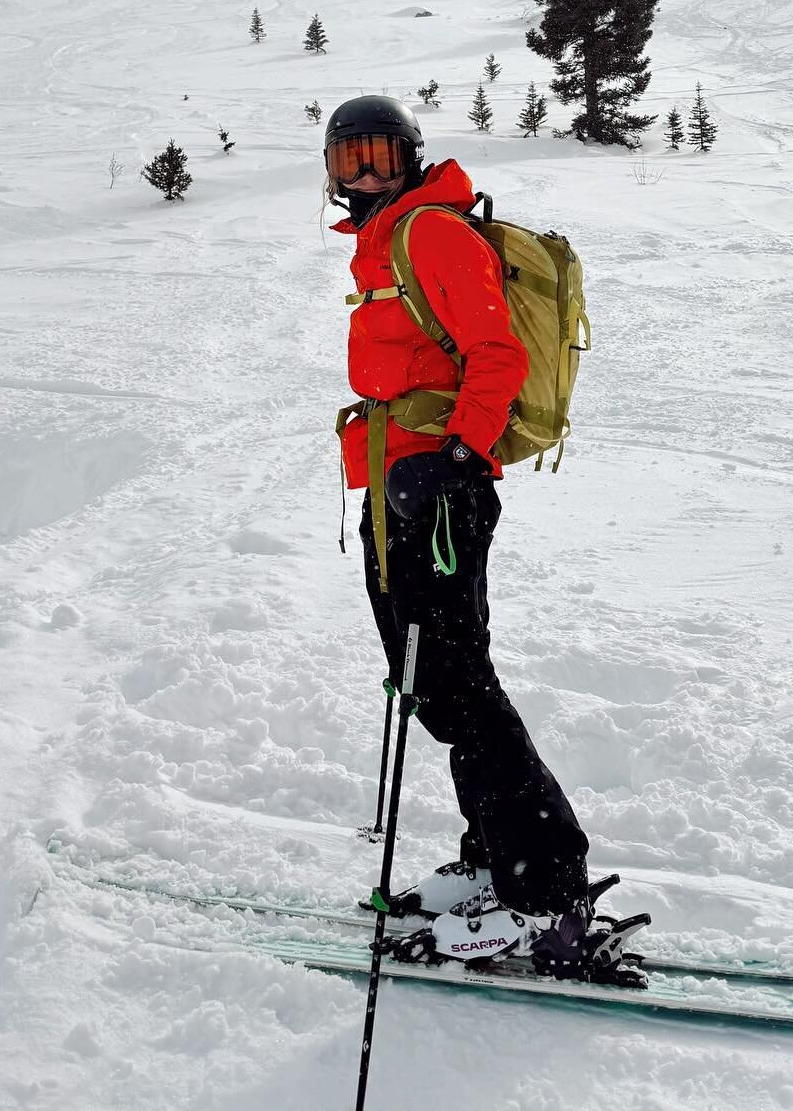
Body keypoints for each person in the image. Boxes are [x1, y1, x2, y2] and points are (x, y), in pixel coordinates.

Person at [326, 93, 602, 968]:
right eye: (348, 159)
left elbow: (498, 355)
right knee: (441, 681)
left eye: (379, 155)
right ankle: (496, 861)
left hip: (436, 491)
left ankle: (543, 889)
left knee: (454, 686)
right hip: (400, 486)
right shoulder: (389, 240)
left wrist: (457, 456)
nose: (365, 173)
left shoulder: (431, 232)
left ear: (409, 157)